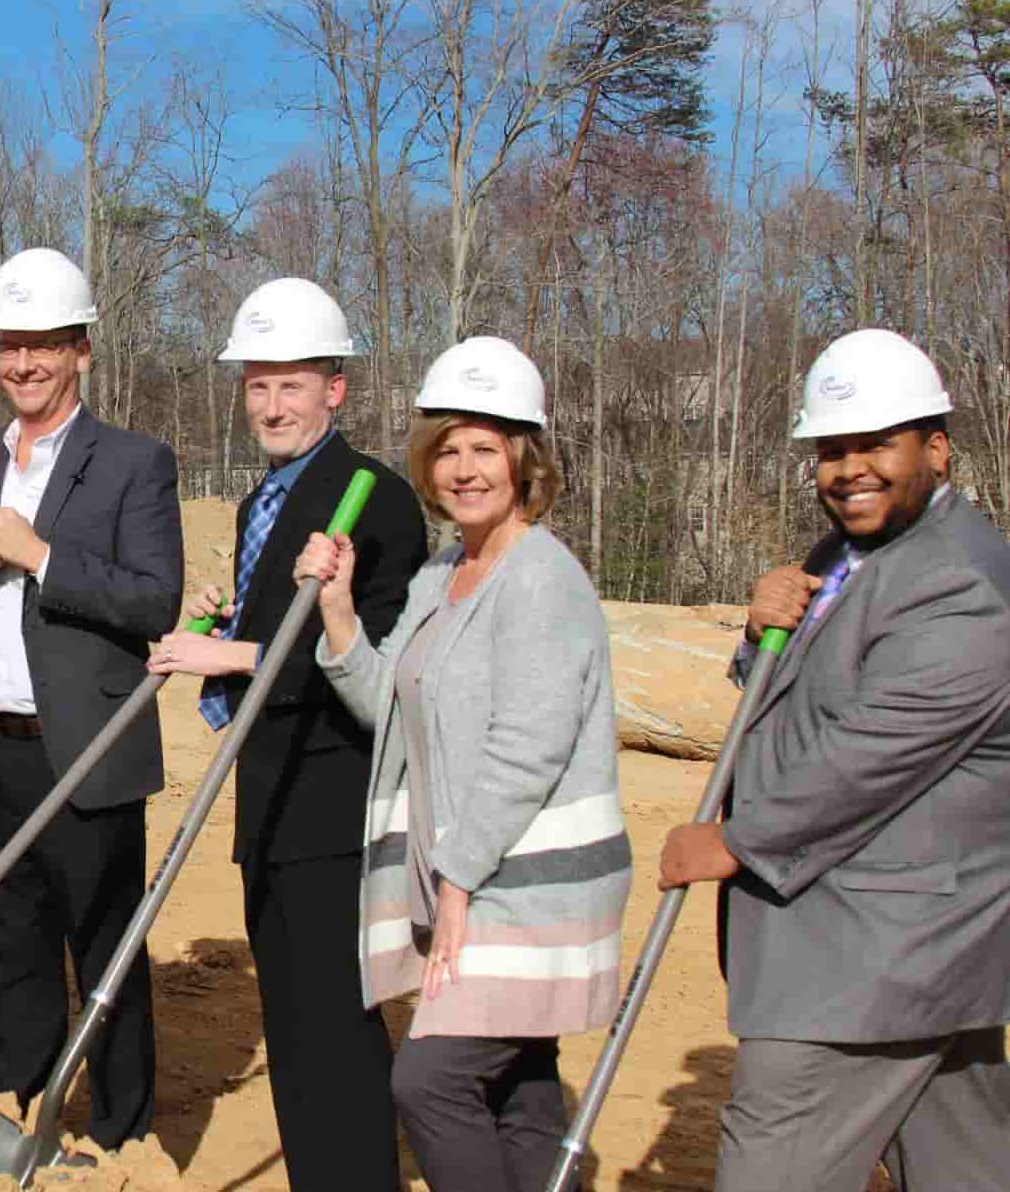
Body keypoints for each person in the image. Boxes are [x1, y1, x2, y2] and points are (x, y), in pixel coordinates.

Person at [658, 328, 1010, 1192]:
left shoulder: (961, 582)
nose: (847, 468)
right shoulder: (849, 553)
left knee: (770, 1166)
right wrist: (755, 636)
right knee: (962, 1168)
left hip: (872, 952)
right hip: (910, 948)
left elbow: (871, 752)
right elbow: (801, 696)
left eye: (872, 445)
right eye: (830, 450)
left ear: (934, 448)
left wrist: (735, 840)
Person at [294, 335, 628, 1192]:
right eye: (447, 449)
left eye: (485, 448)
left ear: (524, 459)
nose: (464, 469)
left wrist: (454, 886)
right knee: (518, 1092)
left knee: (430, 1080)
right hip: (473, 877)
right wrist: (337, 612)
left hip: (521, 886)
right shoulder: (446, 572)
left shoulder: (541, 579)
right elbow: (386, 707)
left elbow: (527, 749)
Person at [0, 247, 183, 1149]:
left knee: (103, 947)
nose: (22, 364)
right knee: (8, 945)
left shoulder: (134, 461)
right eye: (9, 346)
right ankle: (23, 1115)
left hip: (87, 748)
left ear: (81, 351)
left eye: (43, 346)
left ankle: (118, 1136)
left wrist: (40, 557)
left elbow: (152, 598)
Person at [145, 278, 427, 1191]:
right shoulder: (260, 500)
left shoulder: (374, 500)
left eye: (291, 385)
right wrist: (232, 623)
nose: (271, 405)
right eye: (257, 385)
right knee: (294, 1023)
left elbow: (375, 656)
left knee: (332, 1028)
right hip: (269, 802)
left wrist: (227, 660)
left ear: (334, 389)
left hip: (337, 811)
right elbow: (281, 630)